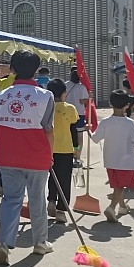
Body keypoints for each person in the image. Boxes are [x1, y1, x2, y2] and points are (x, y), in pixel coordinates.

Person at [0, 50, 55, 265]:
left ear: (12, 69)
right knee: (37, 199)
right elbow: (48, 129)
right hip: (36, 156)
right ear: (36, 70)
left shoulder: (3, 94)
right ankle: (40, 242)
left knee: (11, 199)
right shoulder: (45, 96)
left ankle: (3, 243)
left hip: (8, 155)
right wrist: (50, 155)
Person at [89, 89, 134, 222]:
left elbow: (95, 139)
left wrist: (88, 130)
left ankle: (122, 206)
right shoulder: (130, 123)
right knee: (120, 186)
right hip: (127, 160)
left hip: (110, 159)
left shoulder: (105, 122)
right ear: (127, 105)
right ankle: (112, 207)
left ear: (110, 104)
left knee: (118, 185)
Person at [45, 79, 79, 224]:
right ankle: (61, 210)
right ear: (64, 93)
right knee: (64, 179)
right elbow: (73, 129)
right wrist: (76, 148)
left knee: (52, 177)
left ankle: (51, 200)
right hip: (65, 149)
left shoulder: (45, 108)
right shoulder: (70, 108)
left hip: (48, 148)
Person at [65, 66, 89, 166]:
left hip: (66, 113)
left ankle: (69, 155)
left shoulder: (65, 85)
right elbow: (83, 101)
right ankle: (77, 156)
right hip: (79, 113)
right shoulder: (82, 87)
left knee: (68, 135)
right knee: (79, 137)